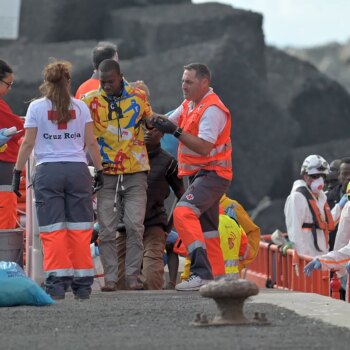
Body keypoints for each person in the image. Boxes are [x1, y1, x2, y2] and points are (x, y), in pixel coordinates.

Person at [12, 60, 104, 300]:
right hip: (78, 171)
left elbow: (28, 143)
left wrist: (17, 172)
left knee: (53, 230)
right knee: (80, 228)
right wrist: (101, 169)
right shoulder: (81, 107)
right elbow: (91, 143)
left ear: (46, 83)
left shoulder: (36, 108)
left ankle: (57, 284)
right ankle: (82, 284)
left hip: (48, 172)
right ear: (68, 82)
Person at [152, 63, 232, 291]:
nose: (183, 86)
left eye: (189, 82)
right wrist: (147, 116)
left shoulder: (212, 109)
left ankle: (201, 272)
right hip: (202, 175)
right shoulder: (191, 103)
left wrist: (174, 131)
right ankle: (217, 279)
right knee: (208, 229)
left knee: (183, 212)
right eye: (182, 81)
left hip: (213, 173)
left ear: (204, 83)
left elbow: (205, 147)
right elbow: (169, 120)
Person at [82, 59, 153, 291]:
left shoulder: (139, 97)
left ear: (121, 76)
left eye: (110, 82)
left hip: (135, 171)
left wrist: (154, 125)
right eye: (102, 82)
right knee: (106, 229)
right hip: (106, 173)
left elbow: (149, 121)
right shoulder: (89, 101)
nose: (106, 86)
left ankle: (133, 278)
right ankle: (110, 279)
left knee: (135, 226)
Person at [116, 126, 185, 290]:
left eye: (153, 129)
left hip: (153, 225)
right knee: (119, 281)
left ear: (162, 134)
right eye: (143, 129)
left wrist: (168, 227)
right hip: (125, 226)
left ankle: (154, 310)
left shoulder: (168, 163)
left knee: (152, 275)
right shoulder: (122, 157)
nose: (147, 132)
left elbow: (182, 196)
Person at [284, 155, 335, 257]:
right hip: (308, 260)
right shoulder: (297, 198)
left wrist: (341, 206)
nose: (320, 180)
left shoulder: (321, 197)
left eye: (323, 176)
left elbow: (323, 222)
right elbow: (295, 234)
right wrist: (303, 260)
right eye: (315, 176)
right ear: (305, 176)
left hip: (321, 259)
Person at [0, 59, 24, 229]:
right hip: (3, 168)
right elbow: (20, 128)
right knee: (5, 217)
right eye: (8, 84)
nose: (10, 88)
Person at [327, 157, 350, 251]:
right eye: (345, 174)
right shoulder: (328, 199)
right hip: (333, 253)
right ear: (339, 176)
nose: (348, 177)